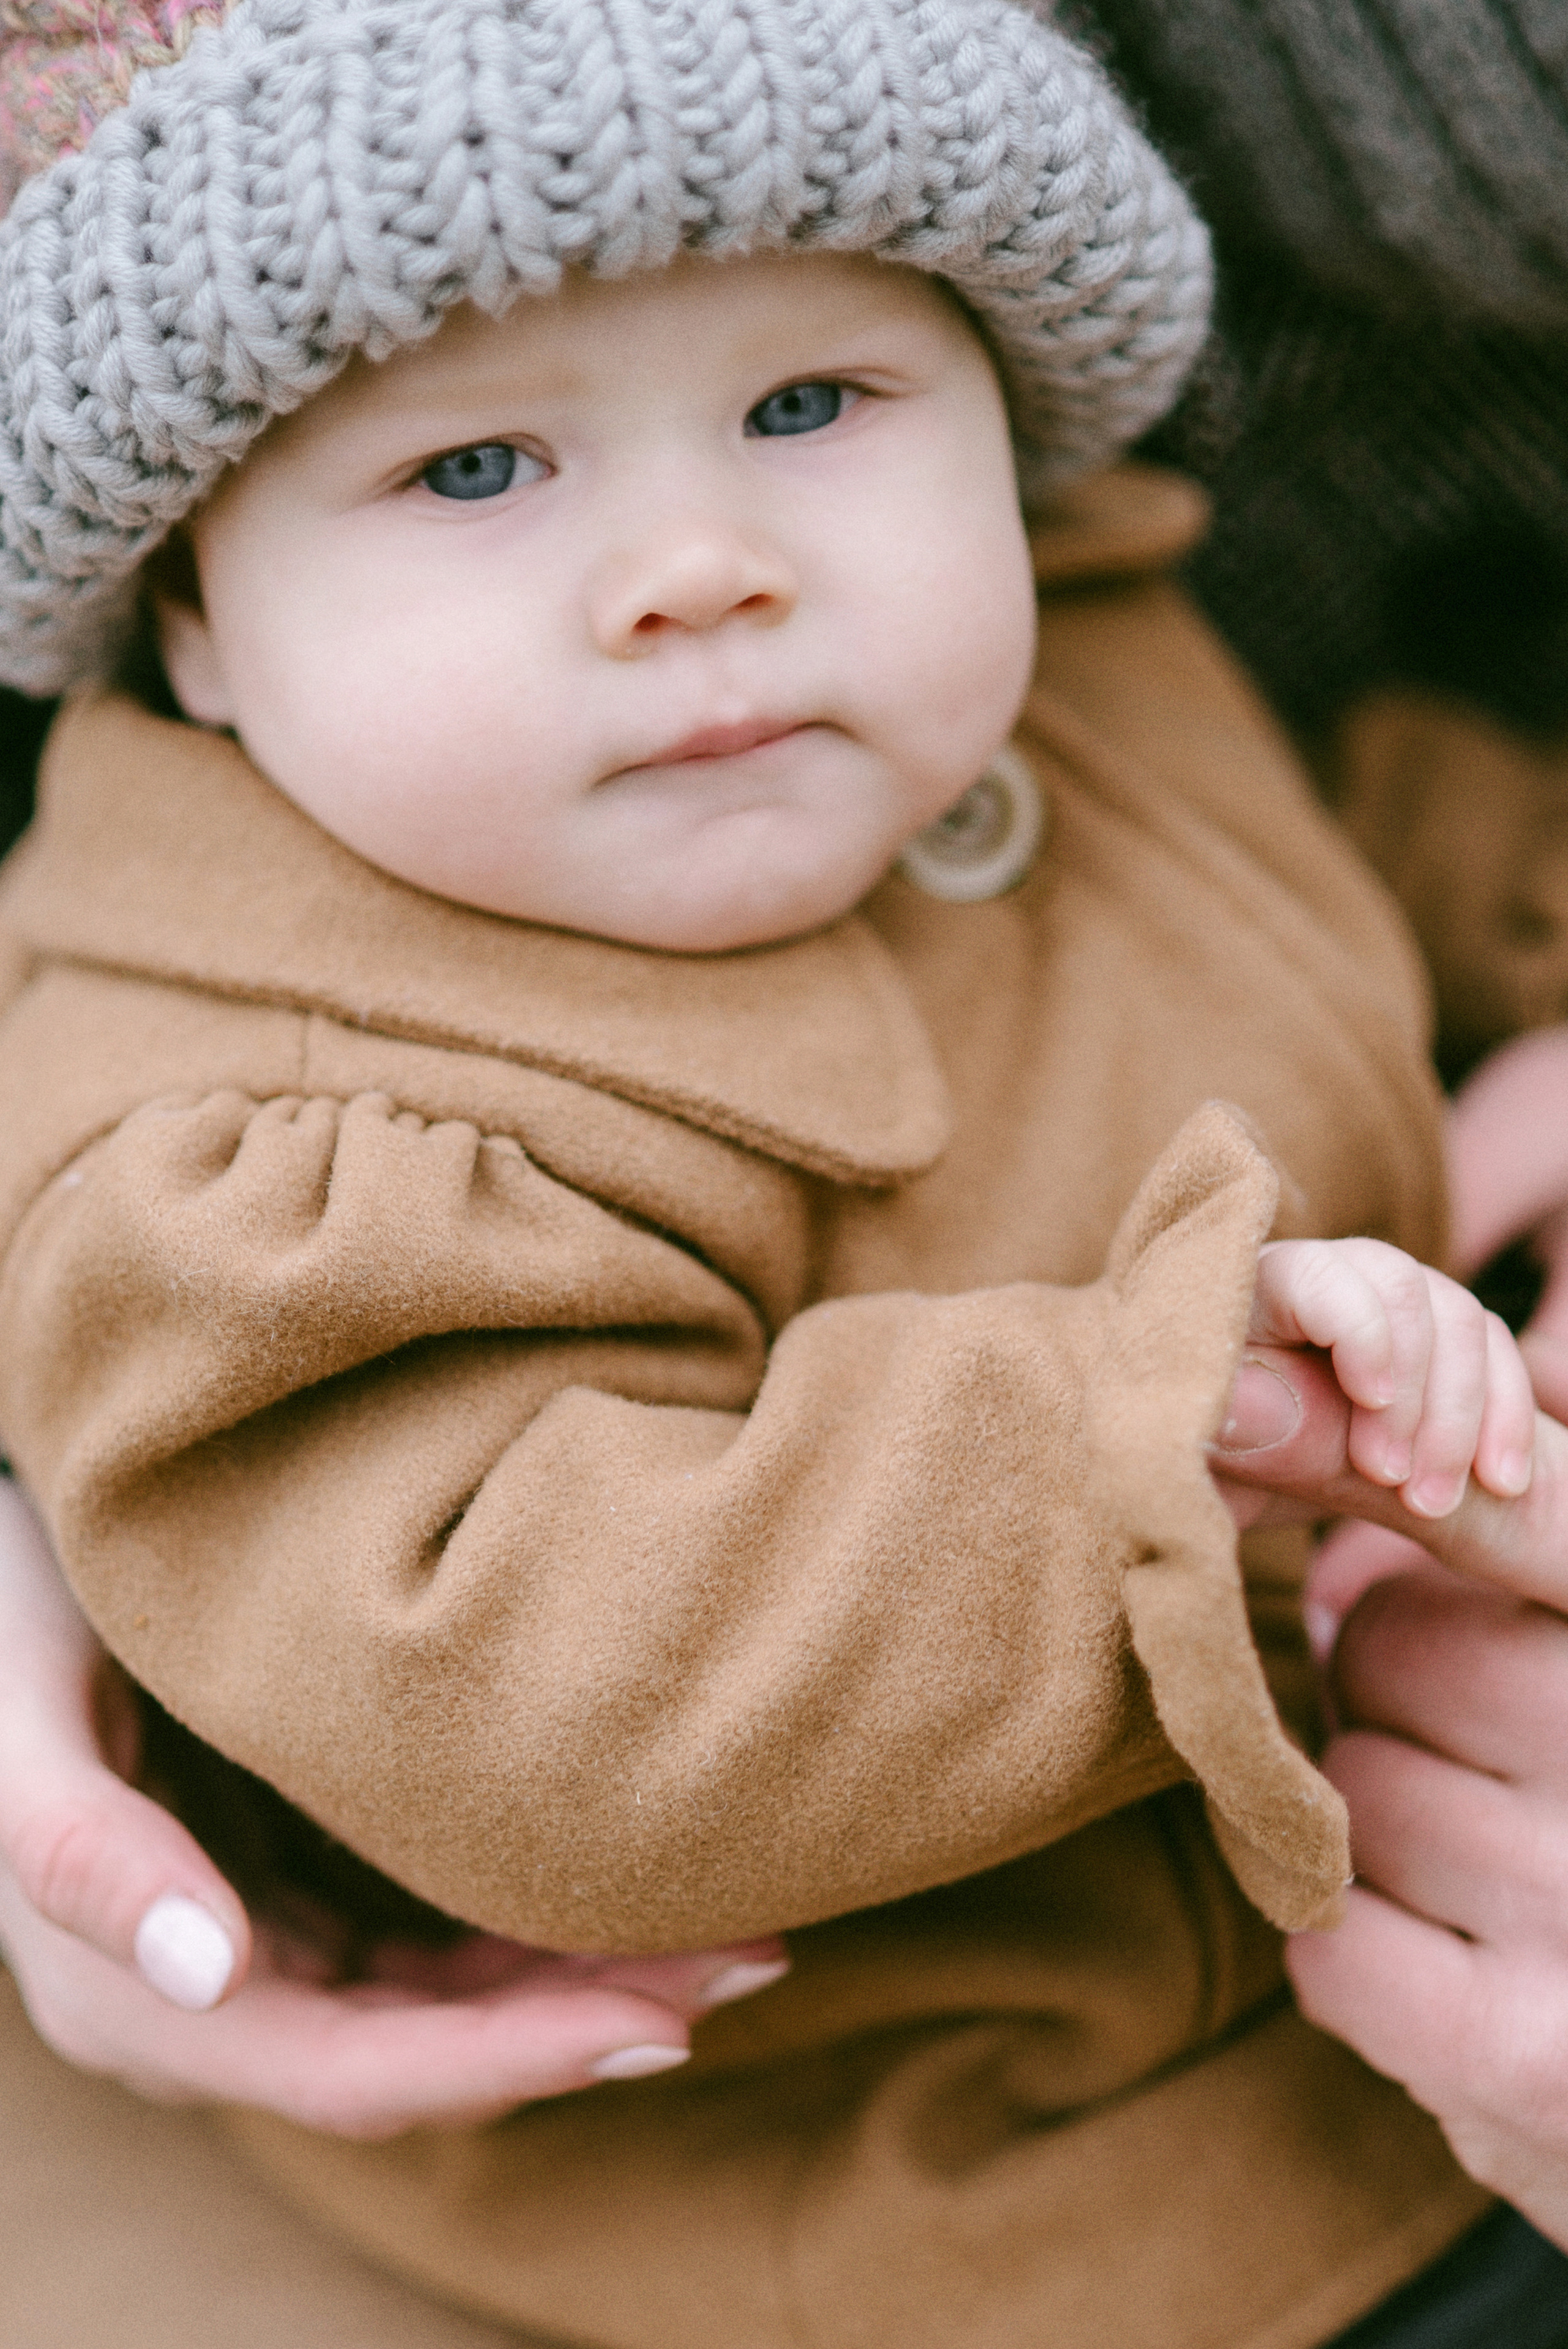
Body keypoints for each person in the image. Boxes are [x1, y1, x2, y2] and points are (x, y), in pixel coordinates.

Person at [0, 2, 1551, 2343]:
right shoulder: (259, 1148)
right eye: (475, 469)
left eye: (809, 408)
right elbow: (542, 1689)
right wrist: (1158, 1422)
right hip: (1043, 2161)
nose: (699, 565)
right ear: (191, 624)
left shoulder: (1061, 656)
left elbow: (1315, 855)